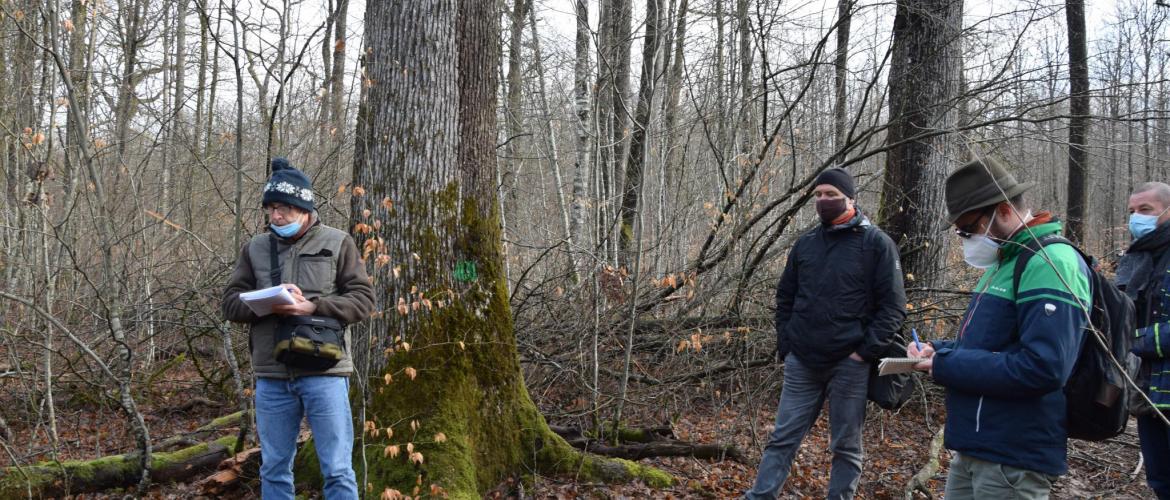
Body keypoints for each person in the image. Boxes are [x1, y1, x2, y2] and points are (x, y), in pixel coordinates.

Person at [908, 158, 1090, 499]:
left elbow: (1044, 367)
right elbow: (993, 345)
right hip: (976, 446)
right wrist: (941, 350)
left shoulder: (1050, 264)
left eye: (968, 229)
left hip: (1013, 456)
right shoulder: (1004, 262)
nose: (964, 239)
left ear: (1004, 211)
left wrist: (946, 365)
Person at [745, 167, 906, 500]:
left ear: (850, 198)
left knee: (846, 447)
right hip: (802, 361)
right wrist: (786, 345)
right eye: (818, 195)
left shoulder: (876, 244)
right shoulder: (806, 244)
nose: (823, 201)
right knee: (782, 439)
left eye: (831, 195)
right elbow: (785, 297)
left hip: (850, 363)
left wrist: (863, 353)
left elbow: (893, 309)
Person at [222, 157, 375, 500]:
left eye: (285, 209)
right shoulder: (256, 248)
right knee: (274, 469)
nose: (276, 216)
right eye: (272, 208)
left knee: (337, 468)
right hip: (271, 377)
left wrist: (315, 306)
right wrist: (265, 306)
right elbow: (229, 303)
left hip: (326, 372)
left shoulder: (338, 242)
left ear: (305, 208)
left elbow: (363, 300)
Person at [1116, 182, 1170, 500]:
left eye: (1145, 210)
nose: (1137, 218)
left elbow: (1132, 332)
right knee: (1161, 482)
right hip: (1147, 392)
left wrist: (1133, 339)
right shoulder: (1136, 257)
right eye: (1132, 212)